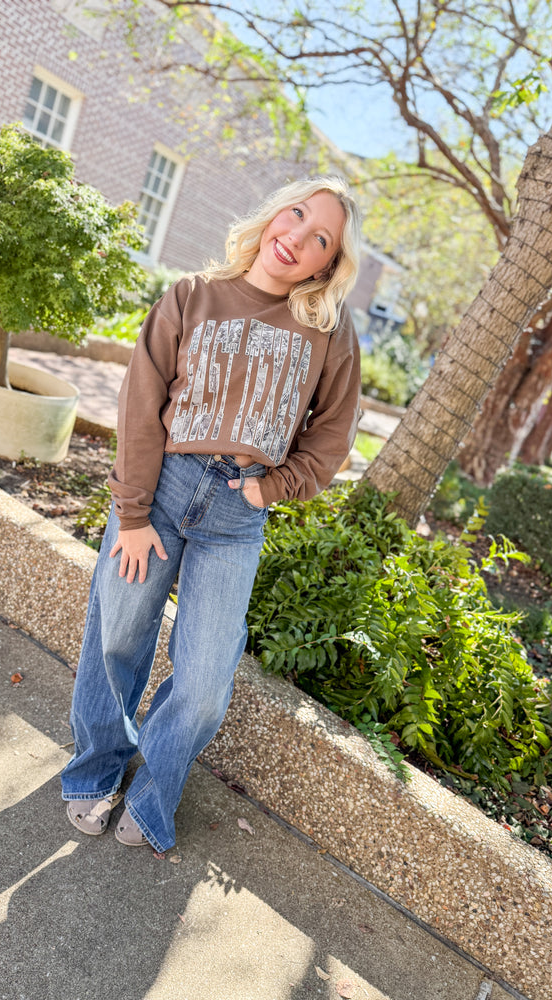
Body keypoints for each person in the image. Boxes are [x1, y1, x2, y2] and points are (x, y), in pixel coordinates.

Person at [61, 175, 363, 853]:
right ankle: (94, 770)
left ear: (327, 264)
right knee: (117, 637)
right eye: (296, 214)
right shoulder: (192, 295)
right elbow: (141, 405)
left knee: (203, 681)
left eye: (321, 238)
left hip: (235, 516)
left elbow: (333, 434)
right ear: (272, 215)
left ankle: (153, 793)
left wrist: (275, 486)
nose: (298, 238)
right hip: (161, 489)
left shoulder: (328, 331)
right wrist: (131, 514)